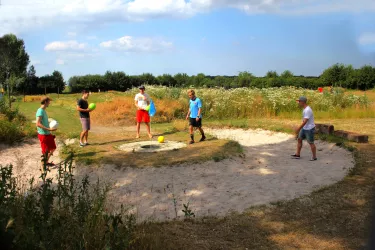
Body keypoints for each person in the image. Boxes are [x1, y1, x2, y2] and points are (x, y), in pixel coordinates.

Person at [291, 96, 317, 161]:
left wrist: (298, 129)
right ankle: (297, 154)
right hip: (305, 128)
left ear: (302, 102)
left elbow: (305, 121)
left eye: (299, 101)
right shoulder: (304, 109)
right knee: (299, 139)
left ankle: (314, 157)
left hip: (309, 129)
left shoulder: (307, 110)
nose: (298, 103)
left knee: (311, 142)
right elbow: (304, 120)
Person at [36, 97, 57, 167]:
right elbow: (38, 123)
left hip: (47, 134)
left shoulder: (43, 110)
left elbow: (43, 121)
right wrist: (49, 129)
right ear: (45, 102)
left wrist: (51, 123)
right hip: (43, 135)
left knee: (53, 148)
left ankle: (46, 161)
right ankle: (43, 165)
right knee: (45, 151)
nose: (49, 103)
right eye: (49, 101)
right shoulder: (40, 111)